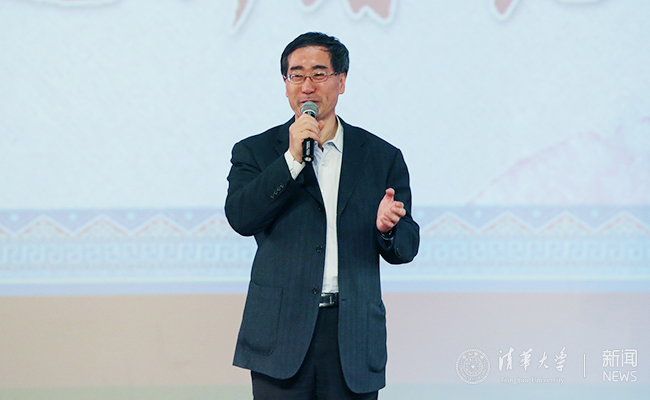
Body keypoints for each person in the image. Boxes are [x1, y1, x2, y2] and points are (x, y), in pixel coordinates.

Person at [225, 32, 420, 400]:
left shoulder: (381, 156)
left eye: (318, 73)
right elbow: (241, 218)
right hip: (280, 335)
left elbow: (407, 245)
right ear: (285, 84)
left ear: (341, 81)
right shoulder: (256, 151)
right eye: (296, 75)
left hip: (352, 335)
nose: (307, 86)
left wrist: (388, 229)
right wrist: (290, 160)